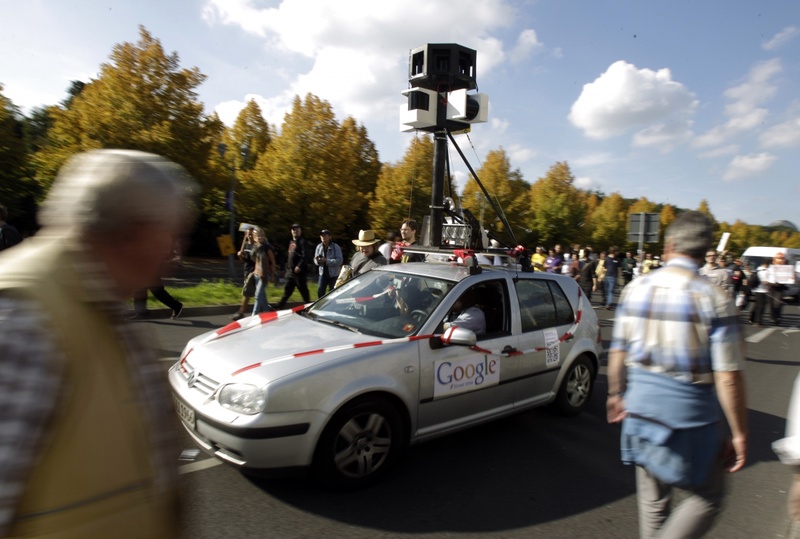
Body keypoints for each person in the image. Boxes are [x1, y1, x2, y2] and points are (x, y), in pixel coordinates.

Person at [0, 149, 193, 537]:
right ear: (137, 233)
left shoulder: (101, 303)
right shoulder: (24, 321)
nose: (174, 253)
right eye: (171, 236)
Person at [607, 210, 747, 539]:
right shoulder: (715, 298)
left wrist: (615, 393)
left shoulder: (636, 288)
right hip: (689, 418)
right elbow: (728, 376)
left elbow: (618, 351)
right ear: (704, 251)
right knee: (708, 497)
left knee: (653, 502)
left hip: (640, 409)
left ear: (669, 246)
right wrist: (739, 433)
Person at [277, 223, 311, 309]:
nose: (295, 231)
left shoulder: (302, 242)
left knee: (303, 291)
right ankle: (279, 307)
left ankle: (309, 306)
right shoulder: (291, 242)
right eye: (293, 230)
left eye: (297, 229)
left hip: (299, 272)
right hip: (290, 272)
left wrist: (299, 266)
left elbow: (305, 255)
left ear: (300, 231)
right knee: (287, 291)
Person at [231, 227, 257, 320]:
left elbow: (258, 260)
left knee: (247, 292)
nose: (250, 236)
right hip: (246, 270)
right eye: (248, 234)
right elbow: (244, 260)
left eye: (251, 234)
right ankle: (264, 310)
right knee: (254, 293)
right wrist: (240, 256)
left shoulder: (256, 245)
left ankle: (241, 312)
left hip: (254, 271)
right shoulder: (245, 245)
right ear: (246, 235)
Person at [251, 228, 276, 315]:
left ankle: (254, 315)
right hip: (257, 274)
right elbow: (255, 260)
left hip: (265, 274)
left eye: (261, 235)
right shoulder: (256, 247)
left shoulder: (267, 248)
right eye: (258, 236)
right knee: (262, 297)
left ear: (264, 236)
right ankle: (268, 312)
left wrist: (272, 275)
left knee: (258, 295)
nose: (260, 237)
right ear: (255, 237)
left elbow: (273, 262)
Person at [314, 229, 343, 298]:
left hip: (333, 275)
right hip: (322, 274)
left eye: (325, 235)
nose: (323, 237)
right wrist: (318, 261)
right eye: (321, 235)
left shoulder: (336, 247)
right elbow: (315, 259)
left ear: (330, 237)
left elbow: (339, 261)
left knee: (334, 294)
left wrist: (326, 261)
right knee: (320, 292)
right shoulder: (319, 247)